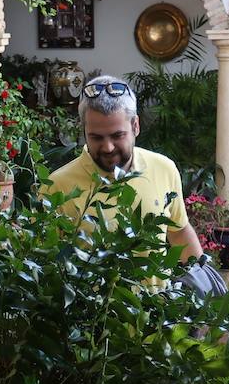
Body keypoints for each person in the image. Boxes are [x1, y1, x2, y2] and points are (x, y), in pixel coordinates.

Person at [40, 76, 203, 261]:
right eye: (96, 137)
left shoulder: (164, 168)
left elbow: (179, 230)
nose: (108, 147)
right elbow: (44, 260)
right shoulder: (57, 186)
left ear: (135, 126)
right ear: (83, 131)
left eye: (117, 135)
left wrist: (202, 277)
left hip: (158, 292)